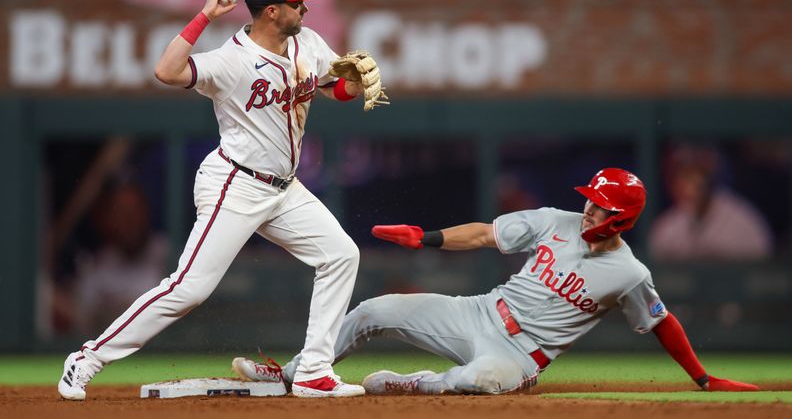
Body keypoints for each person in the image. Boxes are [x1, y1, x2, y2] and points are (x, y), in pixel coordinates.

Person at [59, 0, 379, 400]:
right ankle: (87, 358)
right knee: (189, 289)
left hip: (284, 188)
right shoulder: (231, 60)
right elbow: (167, 72)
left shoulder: (307, 41)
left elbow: (329, 86)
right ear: (270, 11)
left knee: (341, 254)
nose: (306, 7)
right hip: (235, 184)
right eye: (296, 2)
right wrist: (205, 16)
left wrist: (353, 85)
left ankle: (313, 371)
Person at [233, 168, 758, 395]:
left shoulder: (629, 273)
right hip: (480, 312)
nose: (590, 206)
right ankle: (292, 374)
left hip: (520, 356)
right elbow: (486, 234)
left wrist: (703, 378)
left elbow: (663, 324)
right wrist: (427, 237)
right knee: (373, 310)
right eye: (592, 197)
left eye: (602, 205)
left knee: (471, 383)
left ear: (621, 219)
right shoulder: (557, 220)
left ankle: (413, 383)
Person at [73, 182, 169, 335]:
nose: (129, 222)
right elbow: (82, 320)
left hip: (163, 352)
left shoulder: (168, 256)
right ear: (110, 219)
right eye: (122, 214)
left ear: (146, 213)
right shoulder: (99, 264)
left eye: (134, 213)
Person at [649, 145, 773, 261]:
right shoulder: (668, 226)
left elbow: (763, 267)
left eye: (698, 172)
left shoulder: (744, 221)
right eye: (686, 173)